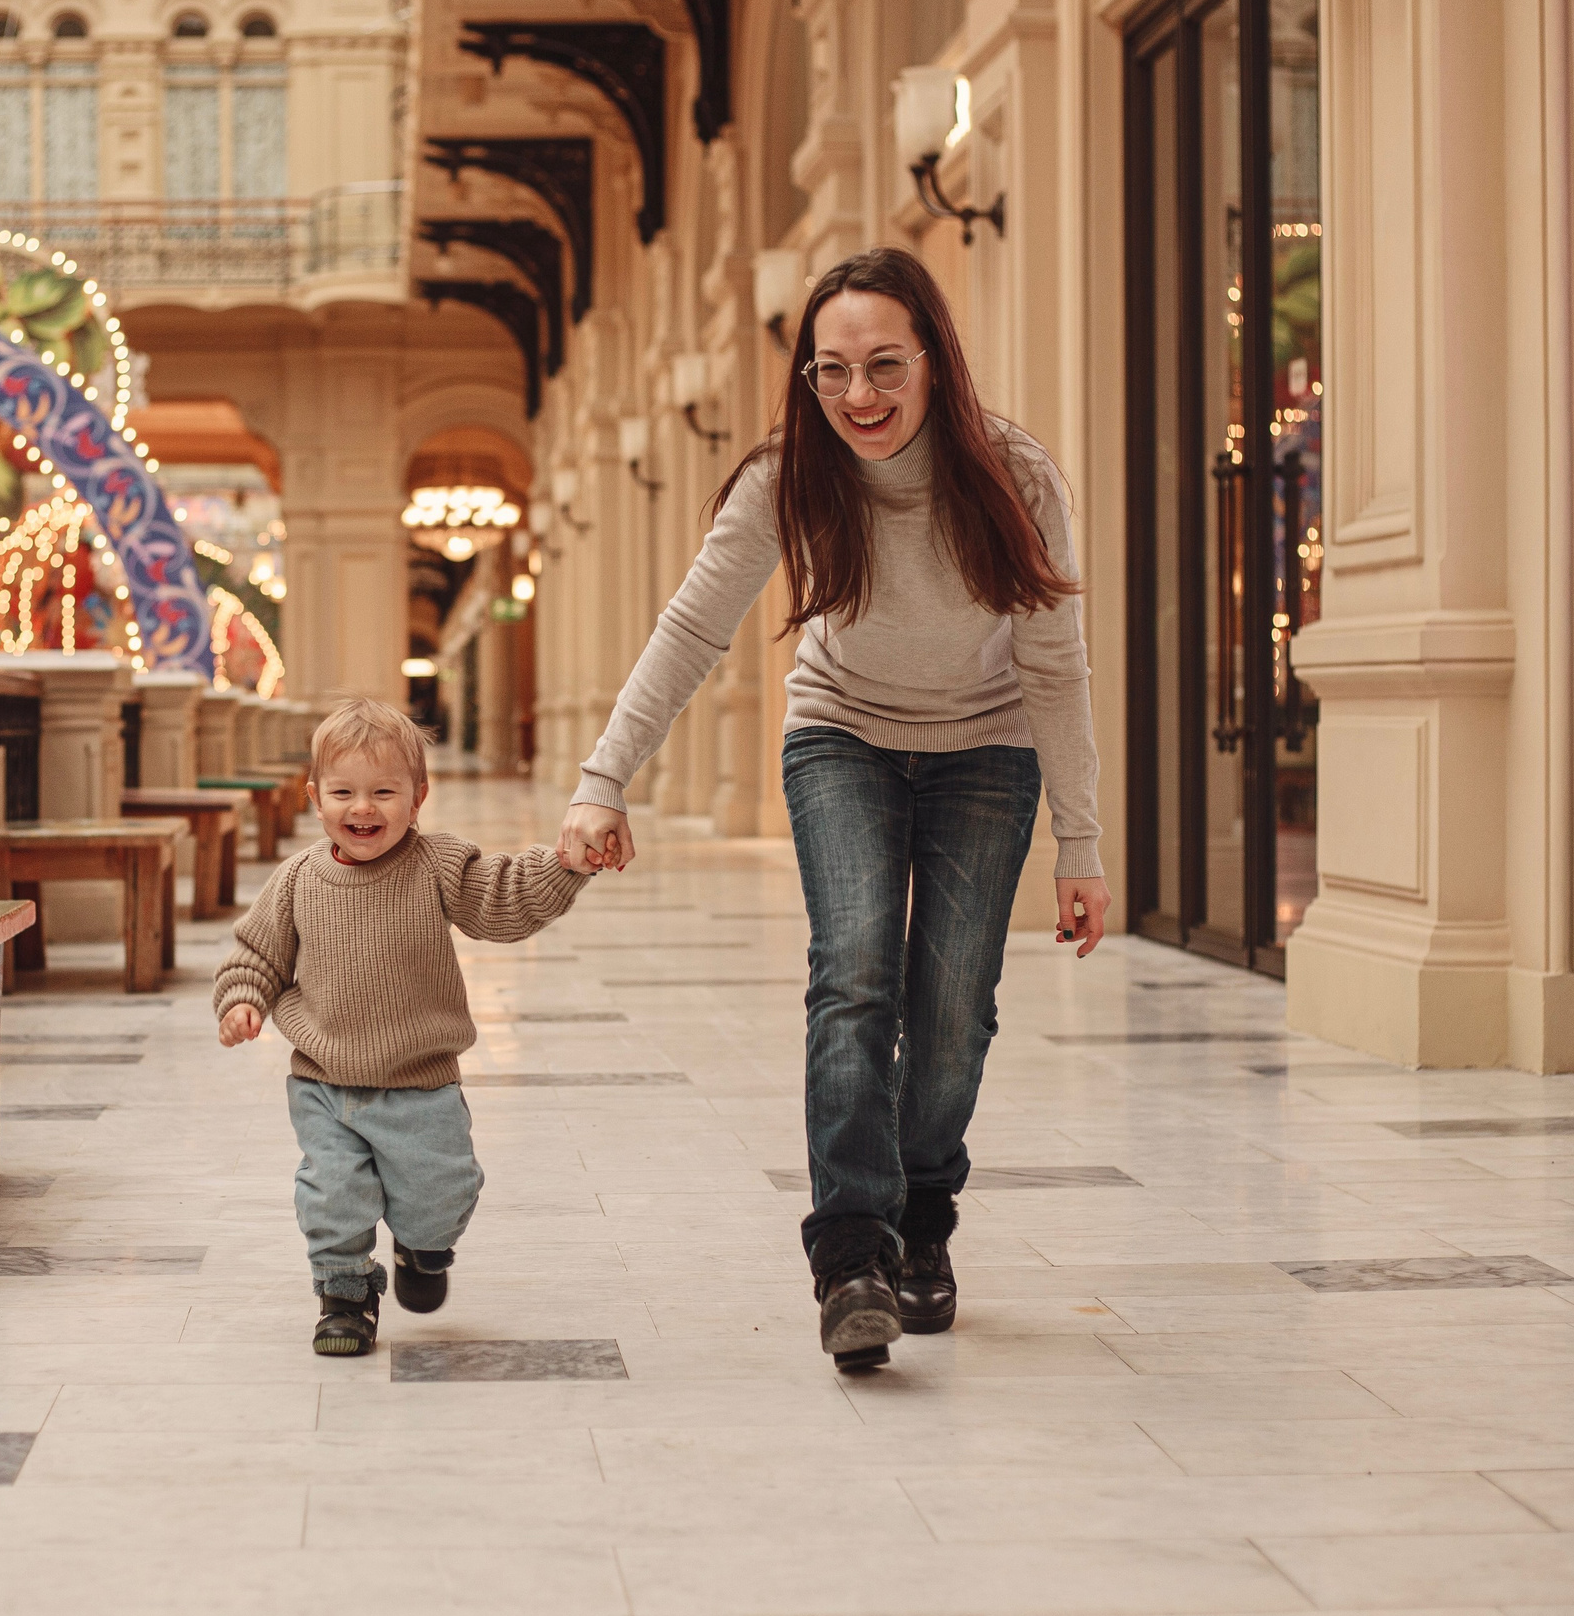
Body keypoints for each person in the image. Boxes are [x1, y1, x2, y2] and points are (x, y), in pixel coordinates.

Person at [557, 246, 1111, 1372]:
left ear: (935, 360)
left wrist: (1080, 842)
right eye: (832, 370)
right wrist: (600, 781)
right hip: (841, 734)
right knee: (855, 974)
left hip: (986, 745)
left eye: (884, 365)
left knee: (953, 1007)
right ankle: (852, 1253)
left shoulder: (1015, 475)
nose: (859, 394)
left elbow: (1055, 665)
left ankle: (923, 1217)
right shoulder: (789, 477)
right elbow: (691, 628)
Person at [216, 696, 591, 1356]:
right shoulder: (297, 880)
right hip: (326, 1082)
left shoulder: (435, 866)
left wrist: (565, 865)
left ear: (418, 798)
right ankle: (344, 1296)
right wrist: (242, 999)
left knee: (439, 1195)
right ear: (315, 798)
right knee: (332, 1194)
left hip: (422, 1083)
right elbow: (258, 954)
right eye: (344, 792)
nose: (363, 808)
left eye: (384, 792)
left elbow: (502, 897)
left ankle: (423, 1246)